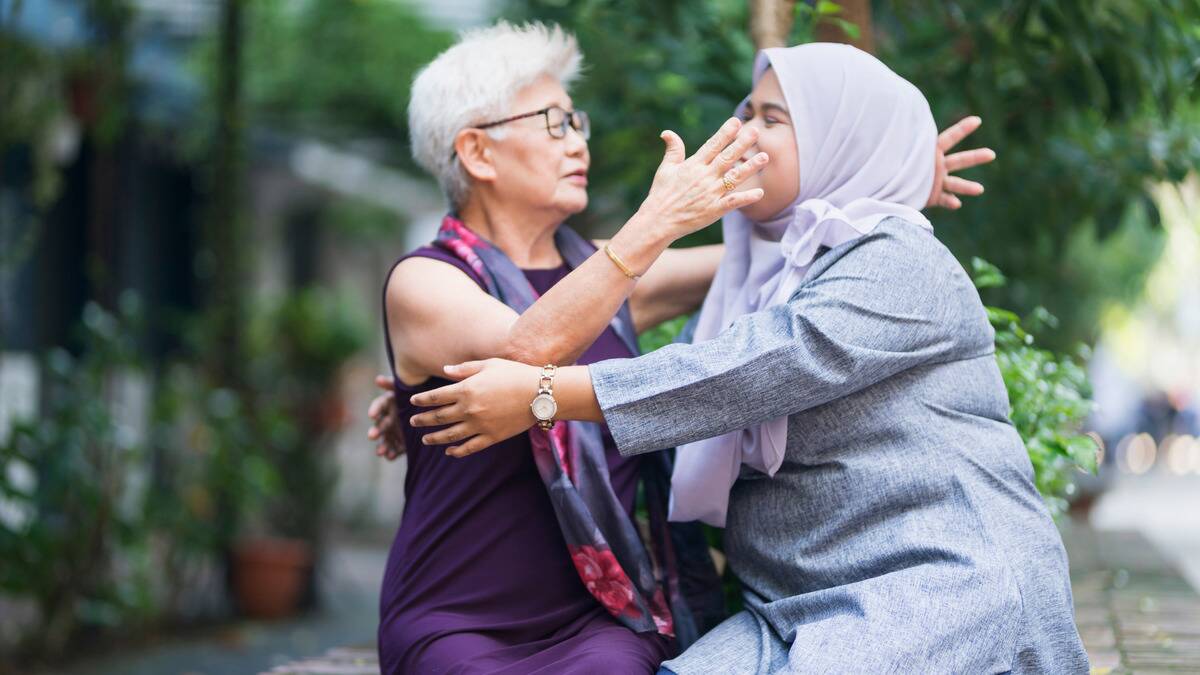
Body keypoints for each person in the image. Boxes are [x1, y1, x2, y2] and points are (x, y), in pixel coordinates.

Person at [403, 42, 1086, 673]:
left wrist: (890, 167)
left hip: (935, 581)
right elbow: (553, 343)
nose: (741, 136)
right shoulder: (761, 279)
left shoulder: (896, 260)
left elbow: (742, 372)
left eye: (772, 119)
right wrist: (412, 387)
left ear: (834, 141)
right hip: (795, 603)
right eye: (744, 114)